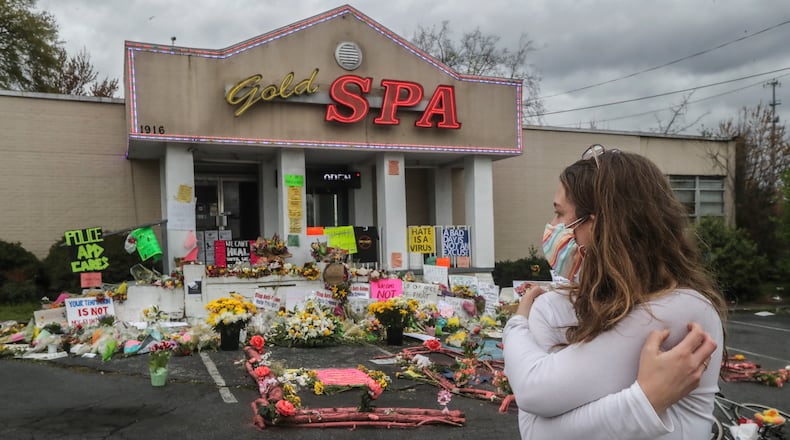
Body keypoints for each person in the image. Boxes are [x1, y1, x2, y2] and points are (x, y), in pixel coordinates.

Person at [503, 145, 726, 439]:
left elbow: (534, 398)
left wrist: (517, 324)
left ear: (597, 225)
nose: (552, 227)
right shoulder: (604, 302)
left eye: (559, 215)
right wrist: (645, 401)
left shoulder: (678, 309)